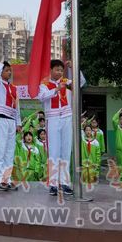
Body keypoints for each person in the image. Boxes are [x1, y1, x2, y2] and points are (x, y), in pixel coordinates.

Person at [35, 59, 74, 196]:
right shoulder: (45, 84)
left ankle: (65, 183)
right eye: (57, 69)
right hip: (52, 119)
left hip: (67, 117)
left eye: (61, 70)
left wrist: (73, 67)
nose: (59, 72)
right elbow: (41, 97)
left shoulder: (67, 82)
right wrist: (56, 90)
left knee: (66, 150)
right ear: (51, 70)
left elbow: (80, 84)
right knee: (54, 151)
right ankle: (53, 184)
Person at [0, 61, 21, 191]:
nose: (9, 72)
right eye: (6, 70)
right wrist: (0, 63)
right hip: (1, 119)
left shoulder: (14, 88)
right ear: (1, 71)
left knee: (9, 151)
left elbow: (17, 107)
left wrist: (18, 122)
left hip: (11, 120)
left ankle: (6, 179)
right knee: (0, 150)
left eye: (10, 71)